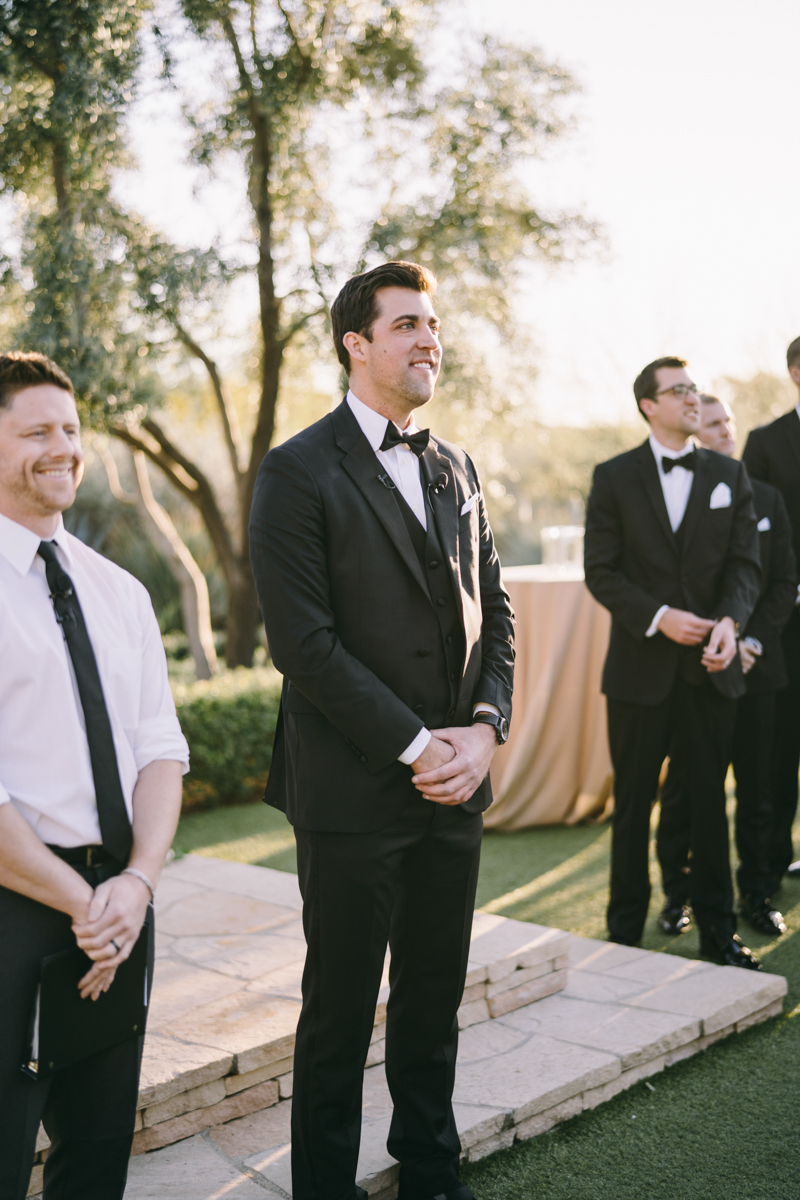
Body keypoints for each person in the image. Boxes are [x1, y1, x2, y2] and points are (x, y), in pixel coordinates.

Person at [249, 261, 514, 1200]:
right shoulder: (295, 470)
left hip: (456, 786)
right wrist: (419, 747)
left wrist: (484, 730)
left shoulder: (457, 465)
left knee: (433, 998)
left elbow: (498, 611)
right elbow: (305, 646)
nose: (427, 339)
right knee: (340, 1010)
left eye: (433, 324)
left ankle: (431, 1173)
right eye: (406, 324)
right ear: (356, 344)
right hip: (355, 790)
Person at [0, 352, 189, 1200]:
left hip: (121, 905)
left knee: (96, 1155)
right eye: (36, 430)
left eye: (71, 430)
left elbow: (160, 751)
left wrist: (136, 886)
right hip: (16, 912)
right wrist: (85, 908)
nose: (63, 447)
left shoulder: (121, 592)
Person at [584, 356, 762, 967]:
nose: (692, 397)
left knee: (711, 804)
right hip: (639, 673)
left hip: (712, 672)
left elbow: (746, 566)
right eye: (678, 390)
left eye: (694, 387)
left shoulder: (727, 475)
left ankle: (719, 932)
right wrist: (660, 617)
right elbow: (600, 572)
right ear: (648, 405)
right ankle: (625, 936)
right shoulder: (613, 476)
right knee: (633, 808)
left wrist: (731, 625)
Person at [656, 396, 796, 939]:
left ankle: (757, 893)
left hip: (760, 668)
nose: (724, 431)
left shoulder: (768, 500)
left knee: (760, 785)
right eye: (712, 423)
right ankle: (678, 895)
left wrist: (753, 639)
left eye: (728, 422)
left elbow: (782, 582)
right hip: (697, 670)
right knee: (687, 788)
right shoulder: (678, 501)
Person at [742, 335, 800, 889]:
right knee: (784, 744)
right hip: (789, 621)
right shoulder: (764, 443)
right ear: (796, 373)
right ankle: (779, 859)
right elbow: (749, 533)